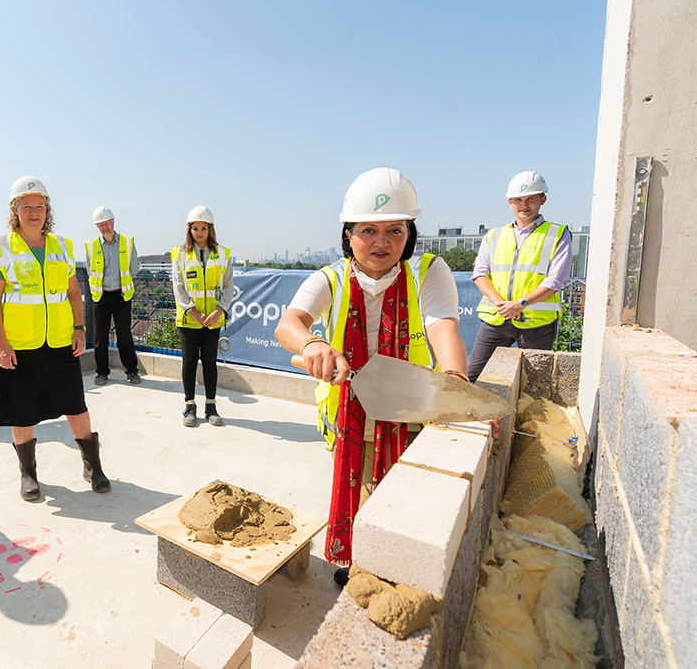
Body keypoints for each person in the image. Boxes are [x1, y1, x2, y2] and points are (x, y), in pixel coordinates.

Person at [273, 168, 468, 586]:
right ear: (348, 235)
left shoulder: (427, 272)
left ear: (409, 232)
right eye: (368, 230)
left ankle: (387, 568)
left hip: (409, 412)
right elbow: (290, 322)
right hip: (350, 415)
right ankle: (363, 570)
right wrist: (311, 345)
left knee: (404, 500)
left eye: (395, 230)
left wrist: (454, 380)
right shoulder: (330, 279)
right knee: (364, 499)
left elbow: (442, 328)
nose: (382, 242)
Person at [0, 176, 111, 501]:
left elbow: (73, 291)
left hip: (59, 341)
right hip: (20, 345)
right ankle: (28, 474)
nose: (34, 212)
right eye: (26, 206)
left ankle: (92, 466)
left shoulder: (63, 246)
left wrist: (79, 328)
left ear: (47, 210)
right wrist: (1, 344)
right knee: (22, 411)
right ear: (15, 210)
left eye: (40, 206)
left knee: (76, 406)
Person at [467, 171, 573, 383]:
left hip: (537, 322)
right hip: (496, 318)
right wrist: (501, 304)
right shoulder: (494, 235)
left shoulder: (557, 234)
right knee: (473, 376)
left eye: (530, 199)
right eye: (518, 200)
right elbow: (480, 273)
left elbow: (556, 281)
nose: (523, 205)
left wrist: (521, 304)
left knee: (534, 384)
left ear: (542, 200)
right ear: (510, 202)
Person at [171, 206, 233, 428]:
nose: (199, 232)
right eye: (195, 228)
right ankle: (189, 405)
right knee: (189, 362)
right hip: (189, 320)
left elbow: (228, 286)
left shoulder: (223, 254)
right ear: (189, 230)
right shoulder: (179, 254)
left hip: (212, 319)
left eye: (203, 228)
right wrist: (193, 312)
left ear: (210, 229)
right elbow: (178, 287)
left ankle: (210, 406)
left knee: (209, 362)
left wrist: (219, 311)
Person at [85, 206, 141, 386]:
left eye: (106, 223)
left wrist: (122, 286)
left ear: (113, 222)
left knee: (124, 335)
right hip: (100, 296)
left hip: (121, 295)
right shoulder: (91, 245)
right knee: (100, 336)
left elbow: (133, 268)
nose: (104, 227)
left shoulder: (127, 241)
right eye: (100, 225)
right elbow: (89, 269)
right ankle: (102, 372)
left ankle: (132, 371)